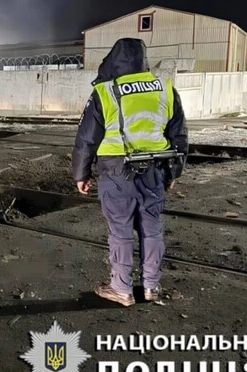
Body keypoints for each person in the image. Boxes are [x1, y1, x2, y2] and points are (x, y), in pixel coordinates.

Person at [72, 38, 188, 307]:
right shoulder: (165, 88)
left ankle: (121, 289)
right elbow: (179, 135)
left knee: (121, 232)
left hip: (116, 172)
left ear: (114, 60)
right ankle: (151, 288)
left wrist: (81, 175)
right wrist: (174, 173)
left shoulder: (106, 91)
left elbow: (86, 138)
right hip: (155, 171)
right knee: (152, 229)